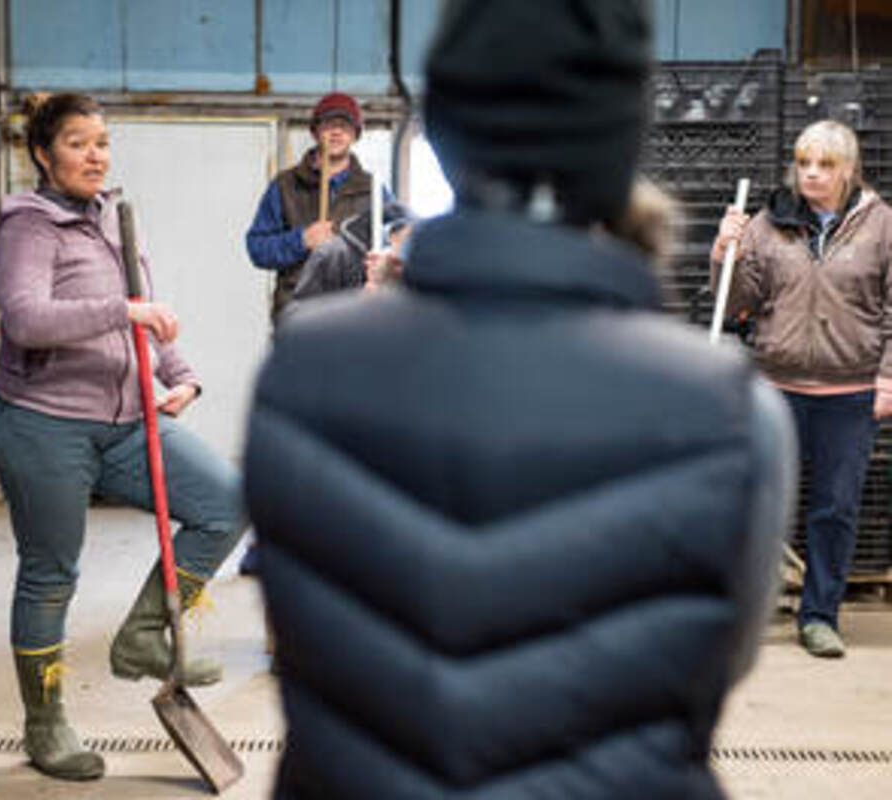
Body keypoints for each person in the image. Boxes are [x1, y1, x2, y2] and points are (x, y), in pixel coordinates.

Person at [243, 1, 795, 797]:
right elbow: (721, 659)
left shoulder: (300, 375)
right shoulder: (731, 413)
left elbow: (298, 635)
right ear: (621, 143)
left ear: (444, 131)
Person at [0, 92, 246, 781]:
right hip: (44, 422)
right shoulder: (28, 224)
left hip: (129, 420)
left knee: (227, 501)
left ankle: (140, 636)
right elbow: (25, 319)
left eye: (103, 141)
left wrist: (182, 375)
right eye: (78, 142)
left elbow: (148, 316)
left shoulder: (111, 220)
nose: (97, 154)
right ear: (43, 153)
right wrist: (123, 309)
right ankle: (45, 722)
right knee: (51, 576)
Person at [712, 119, 892, 659]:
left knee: (835, 507)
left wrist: (888, 376)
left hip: (849, 390)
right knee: (762, 501)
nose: (811, 173)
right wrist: (729, 254)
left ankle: (819, 616)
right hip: (776, 385)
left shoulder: (882, 226)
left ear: (847, 169)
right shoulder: (770, 222)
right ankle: (749, 608)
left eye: (824, 165)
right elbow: (742, 304)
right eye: (804, 162)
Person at [245, 91, 386, 321]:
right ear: (315, 131)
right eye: (329, 123)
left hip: (354, 316)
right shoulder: (285, 185)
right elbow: (257, 248)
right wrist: (301, 240)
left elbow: (397, 247)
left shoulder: (374, 190)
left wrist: (384, 263)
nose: (337, 131)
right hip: (297, 317)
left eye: (345, 125)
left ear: (356, 134)